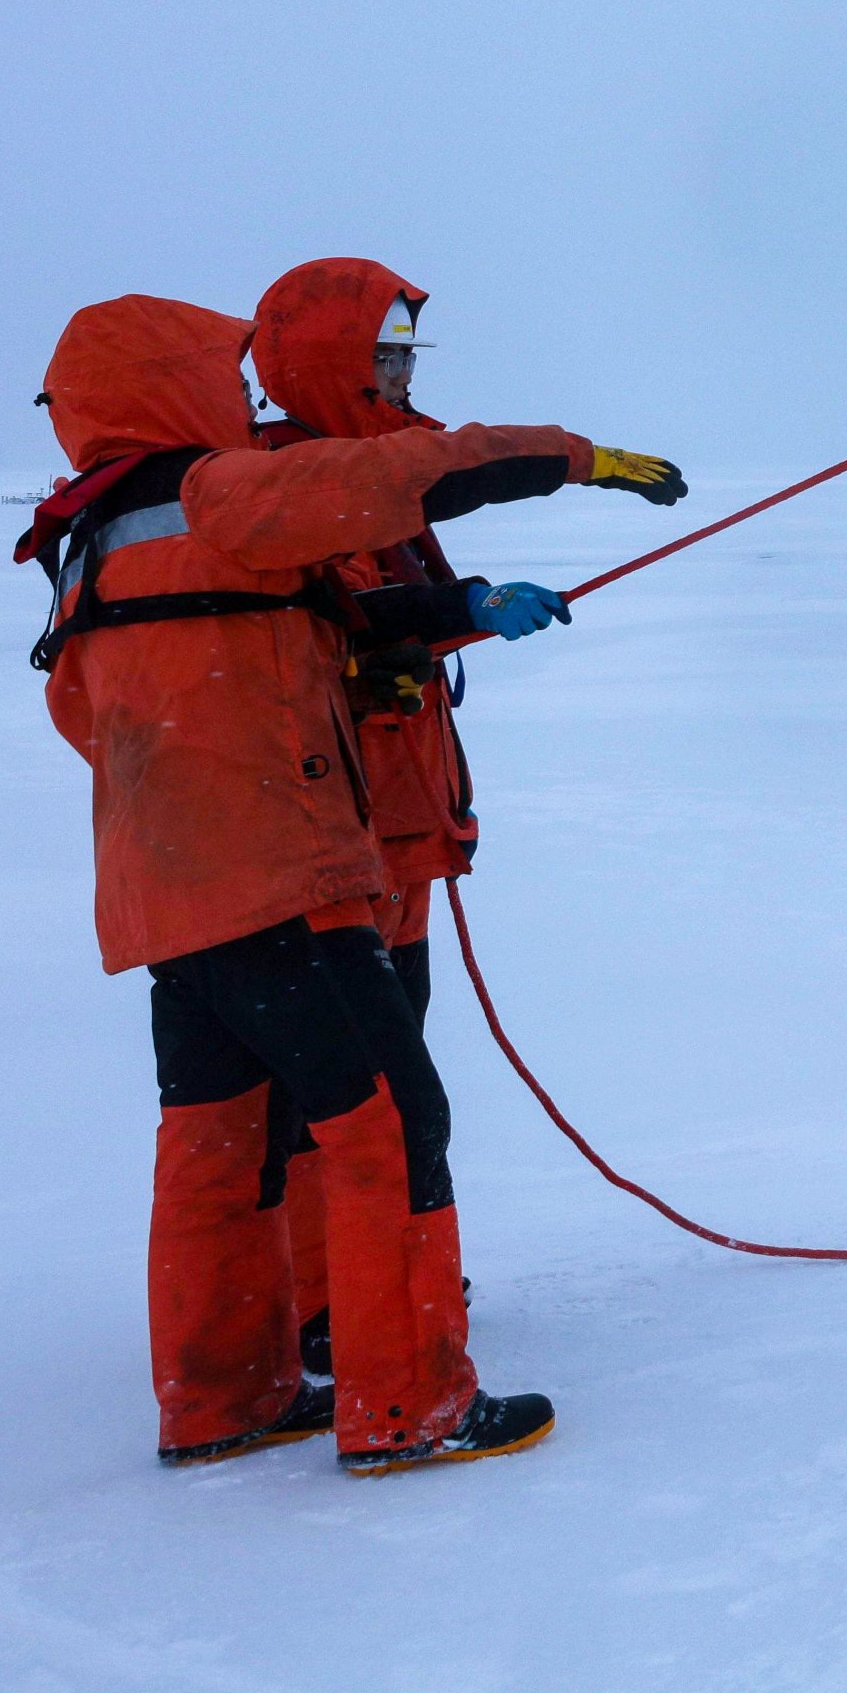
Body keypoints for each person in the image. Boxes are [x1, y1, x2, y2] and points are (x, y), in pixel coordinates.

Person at [26, 294, 684, 1474]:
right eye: (222, 377)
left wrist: (455, 609)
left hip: (167, 897)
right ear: (168, 385)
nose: (241, 398)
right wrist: (571, 461)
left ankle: (219, 1397)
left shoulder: (98, 533)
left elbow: (147, 683)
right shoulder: (220, 490)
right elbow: (405, 476)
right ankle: (407, 1405)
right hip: (277, 878)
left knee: (224, 1141)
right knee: (391, 1121)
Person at [246, 260, 579, 1384]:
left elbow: (384, 618)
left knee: (392, 1062)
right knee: (351, 1086)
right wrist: (455, 609)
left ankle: (366, 1279)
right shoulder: (291, 478)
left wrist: (457, 612)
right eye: (381, 355)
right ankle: (331, 1301)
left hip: (402, 825)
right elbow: (337, 620)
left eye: (407, 356)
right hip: (338, 831)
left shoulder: (382, 478)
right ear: (329, 359)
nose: (398, 373)